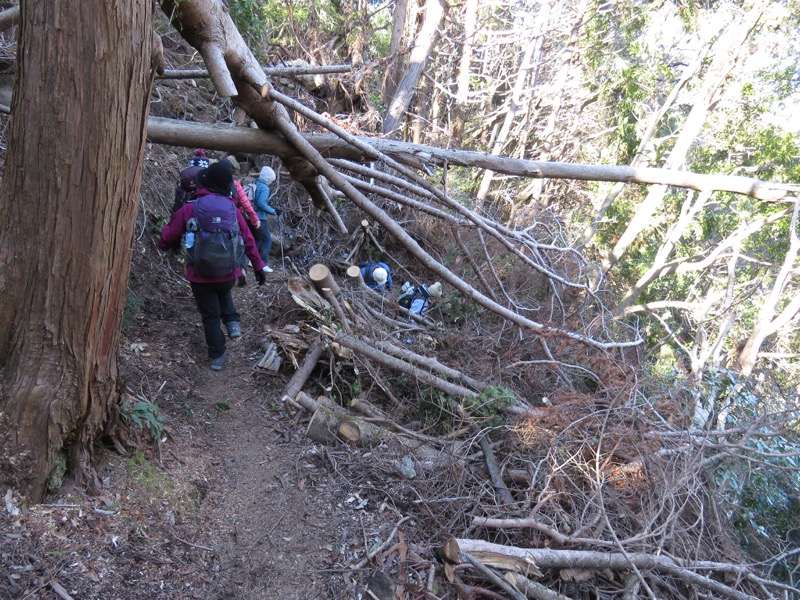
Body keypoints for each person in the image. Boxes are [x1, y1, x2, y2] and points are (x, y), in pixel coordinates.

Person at [158, 161, 269, 371]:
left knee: (210, 315)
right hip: (229, 273)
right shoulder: (232, 209)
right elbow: (248, 240)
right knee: (222, 289)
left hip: (199, 274)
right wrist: (258, 267)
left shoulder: (190, 208)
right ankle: (232, 322)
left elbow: (167, 237)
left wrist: (164, 245)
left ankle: (218, 353)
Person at [254, 165, 281, 272]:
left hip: (251, 216)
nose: (271, 182)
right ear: (268, 179)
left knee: (258, 239)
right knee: (267, 240)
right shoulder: (264, 187)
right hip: (260, 218)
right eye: (271, 180)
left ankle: (253, 261)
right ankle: (263, 264)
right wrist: (273, 211)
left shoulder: (255, 184)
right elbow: (261, 203)